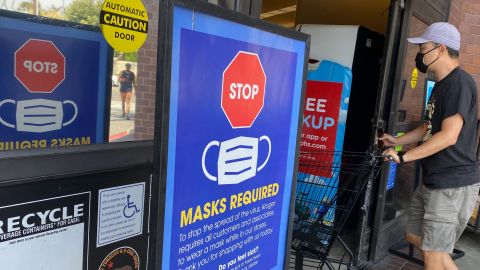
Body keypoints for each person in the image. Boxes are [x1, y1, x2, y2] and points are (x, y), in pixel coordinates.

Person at [381, 22, 480, 270]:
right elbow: (428, 127)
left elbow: (448, 136)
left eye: (423, 47)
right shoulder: (441, 84)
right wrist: (397, 141)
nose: (420, 54)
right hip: (433, 180)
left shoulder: (459, 84)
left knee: (434, 256)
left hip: (451, 185)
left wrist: (403, 157)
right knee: (415, 238)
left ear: (440, 49)